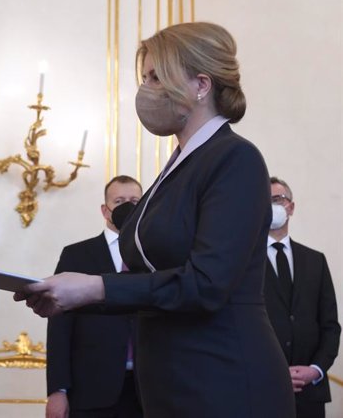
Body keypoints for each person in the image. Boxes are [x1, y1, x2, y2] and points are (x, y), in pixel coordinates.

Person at [16, 22, 295, 418]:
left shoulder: (235, 158)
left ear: (202, 84)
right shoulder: (178, 165)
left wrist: (95, 289)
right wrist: (69, 295)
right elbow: (150, 277)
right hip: (172, 382)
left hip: (223, 379)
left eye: (156, 76)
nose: (146, 89)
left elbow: (205, 284)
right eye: (144, 77)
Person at [46, 175, 143, 418]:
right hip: (92, 389)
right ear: (105, 209)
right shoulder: (76, 255)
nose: (127, 207)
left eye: (134, 200)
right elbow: (60, 324)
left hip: (149, 390)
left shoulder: (156, 255)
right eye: (119, 201)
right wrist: (57, 391)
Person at [265, 177, 340, 418]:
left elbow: (330, 326)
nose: (273, 206)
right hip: (263, 390)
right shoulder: (246, 263)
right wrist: (272, 372)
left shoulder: (315, 261)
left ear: (291, 207)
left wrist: (316, 370)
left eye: (278, 199)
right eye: (265, 201)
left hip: (311, 394)